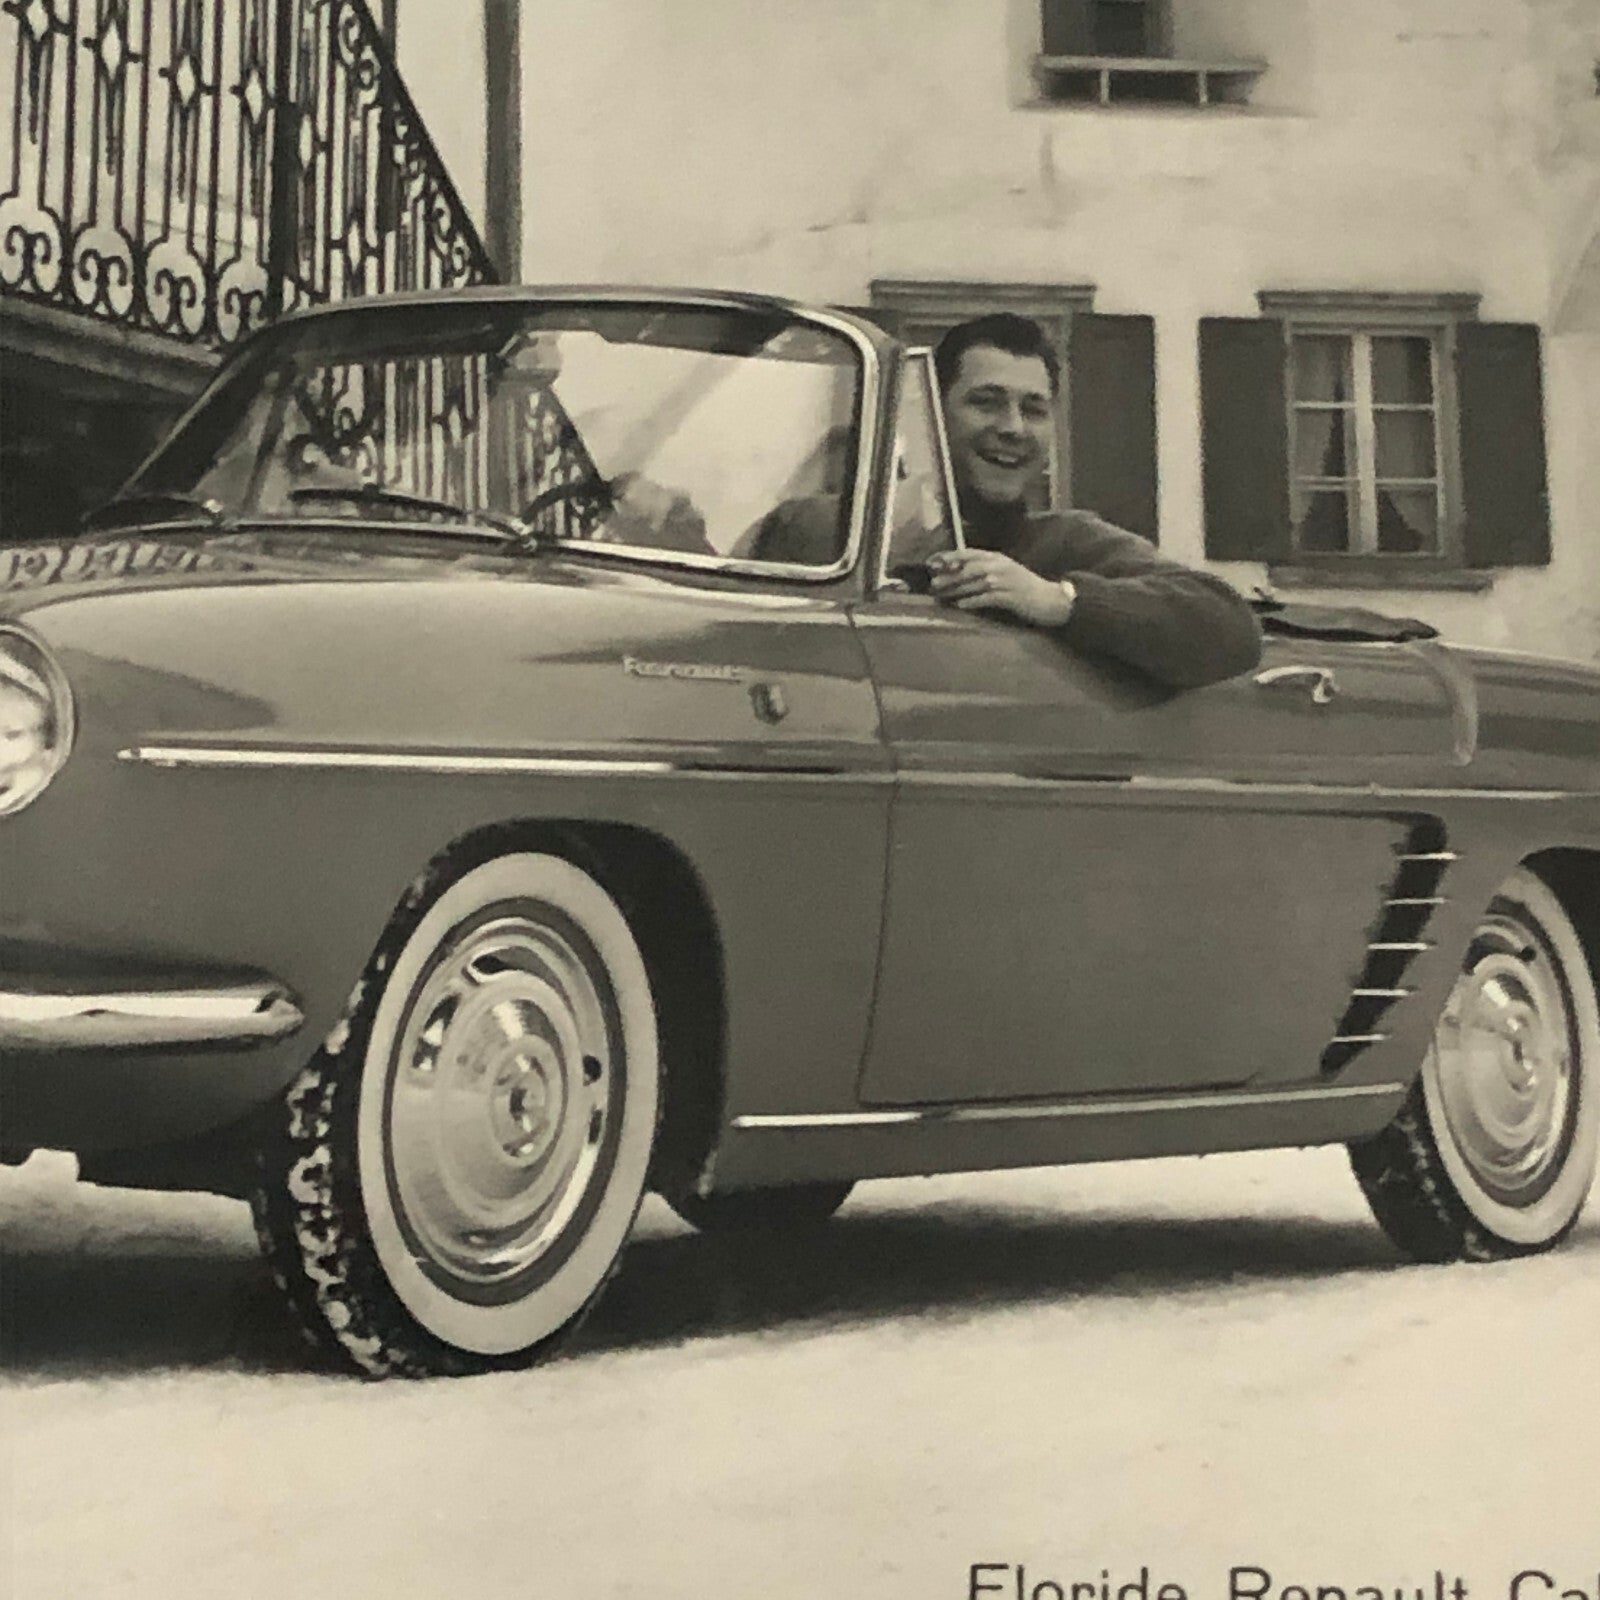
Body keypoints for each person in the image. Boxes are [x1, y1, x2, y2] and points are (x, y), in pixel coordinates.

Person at [926, 313, 1262, 689]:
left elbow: (1228, 624)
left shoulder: (1064, 542)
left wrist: (1057, 600)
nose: (1013, 428)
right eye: (986, 403)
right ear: (932, 414)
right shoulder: (870, 537)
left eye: (1034, 410)